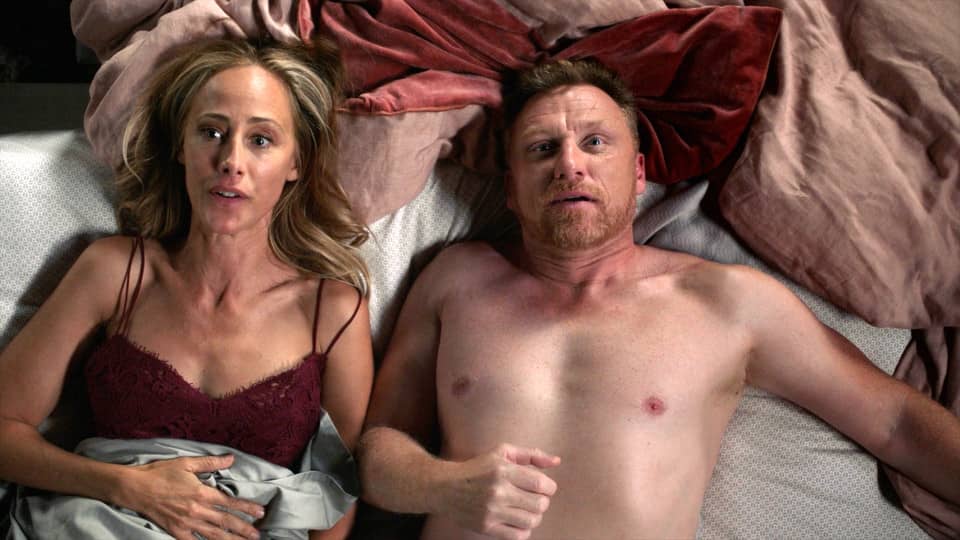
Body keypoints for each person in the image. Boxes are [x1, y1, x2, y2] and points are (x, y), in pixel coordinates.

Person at [354, 59, 960, 540]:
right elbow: (376, 454)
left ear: (639, 174)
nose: (570, 164)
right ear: (511, 189)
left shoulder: (726, 302)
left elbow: (896, 422)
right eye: (542, 148)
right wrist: (444, 485)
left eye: (595, 142)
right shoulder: (455, 280)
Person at [0, 38, 373, 540]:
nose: (231, 160)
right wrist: (128, 487)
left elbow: (335, 501)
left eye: (261, 140)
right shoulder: (116, 271)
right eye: (211, 132)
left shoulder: (333, 312)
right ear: (180, 147)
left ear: (296, 164)